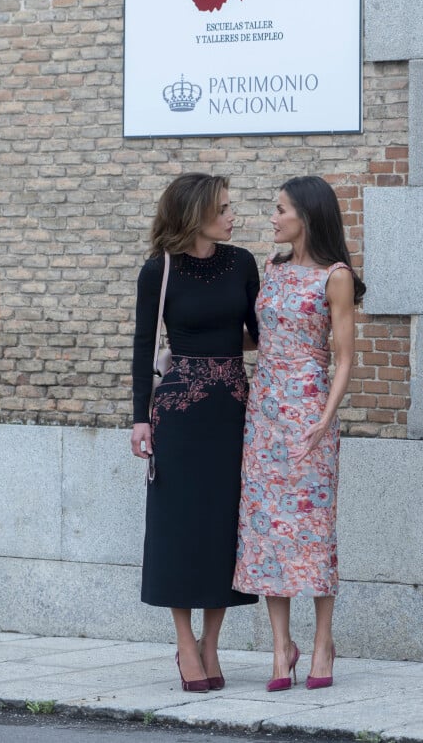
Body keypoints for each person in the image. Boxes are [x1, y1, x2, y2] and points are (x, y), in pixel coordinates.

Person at [233, 175, 366, 692]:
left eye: (280, 209)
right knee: (268, 529)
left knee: (313, 531)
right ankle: (279, 648)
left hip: (310, 413)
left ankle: (322, 643)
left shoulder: (336, 276)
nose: (273, 217)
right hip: (264, 414)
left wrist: (326, 417)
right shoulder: (273, 268)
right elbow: (263, 337)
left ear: (306, 216)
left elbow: (345, 356)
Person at [131, 173, 259, 693]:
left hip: (232, 408)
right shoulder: (158, 270)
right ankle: (185, 644)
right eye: (224, 208)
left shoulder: (244, 262)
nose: (233, 216)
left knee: (222, 526)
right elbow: (143, 347)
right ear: (195, 214)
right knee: (179, 525)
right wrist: (140, 418)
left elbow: (260, 330)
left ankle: (212, 643)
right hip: (179, 412)